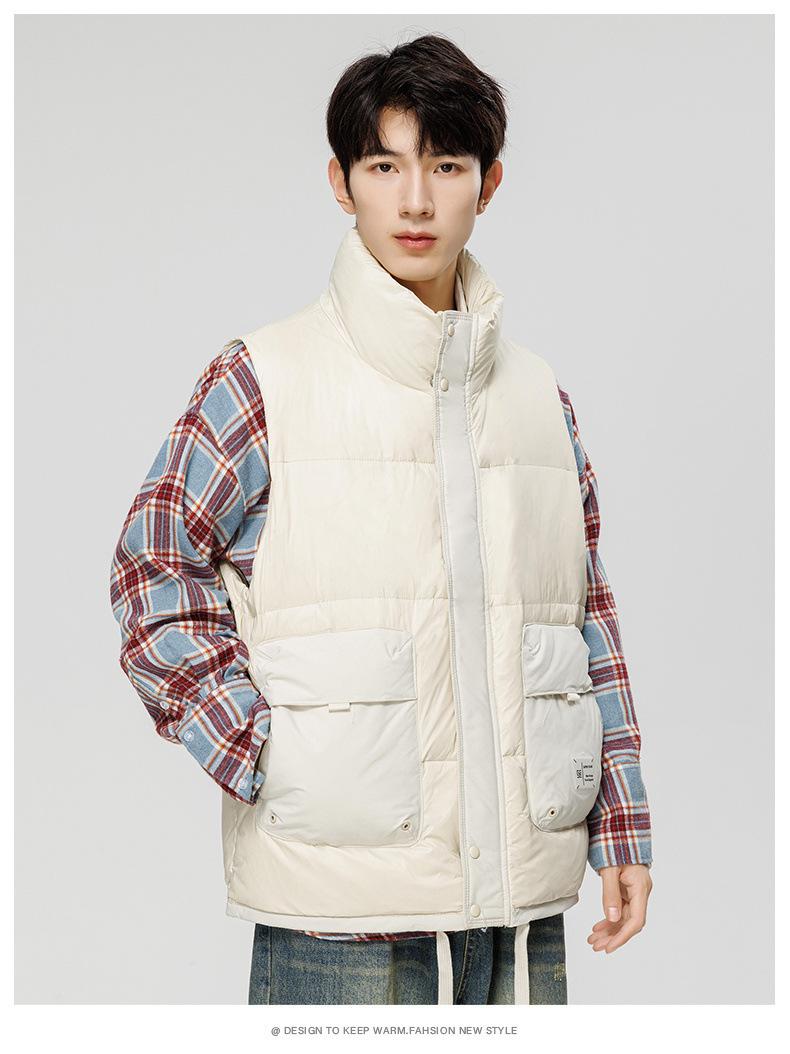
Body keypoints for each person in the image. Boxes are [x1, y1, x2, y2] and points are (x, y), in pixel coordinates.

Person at [109, 33, 653, 1006]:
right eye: (384, 166)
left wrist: (621, 824)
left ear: (488, 184)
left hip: (520, 903)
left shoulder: (539, 399)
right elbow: (153, 565)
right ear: (340, 182)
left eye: (445, 166)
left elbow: (584, 619)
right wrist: (261, 752)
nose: (415, 201)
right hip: (340, 919)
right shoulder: (265, 377)